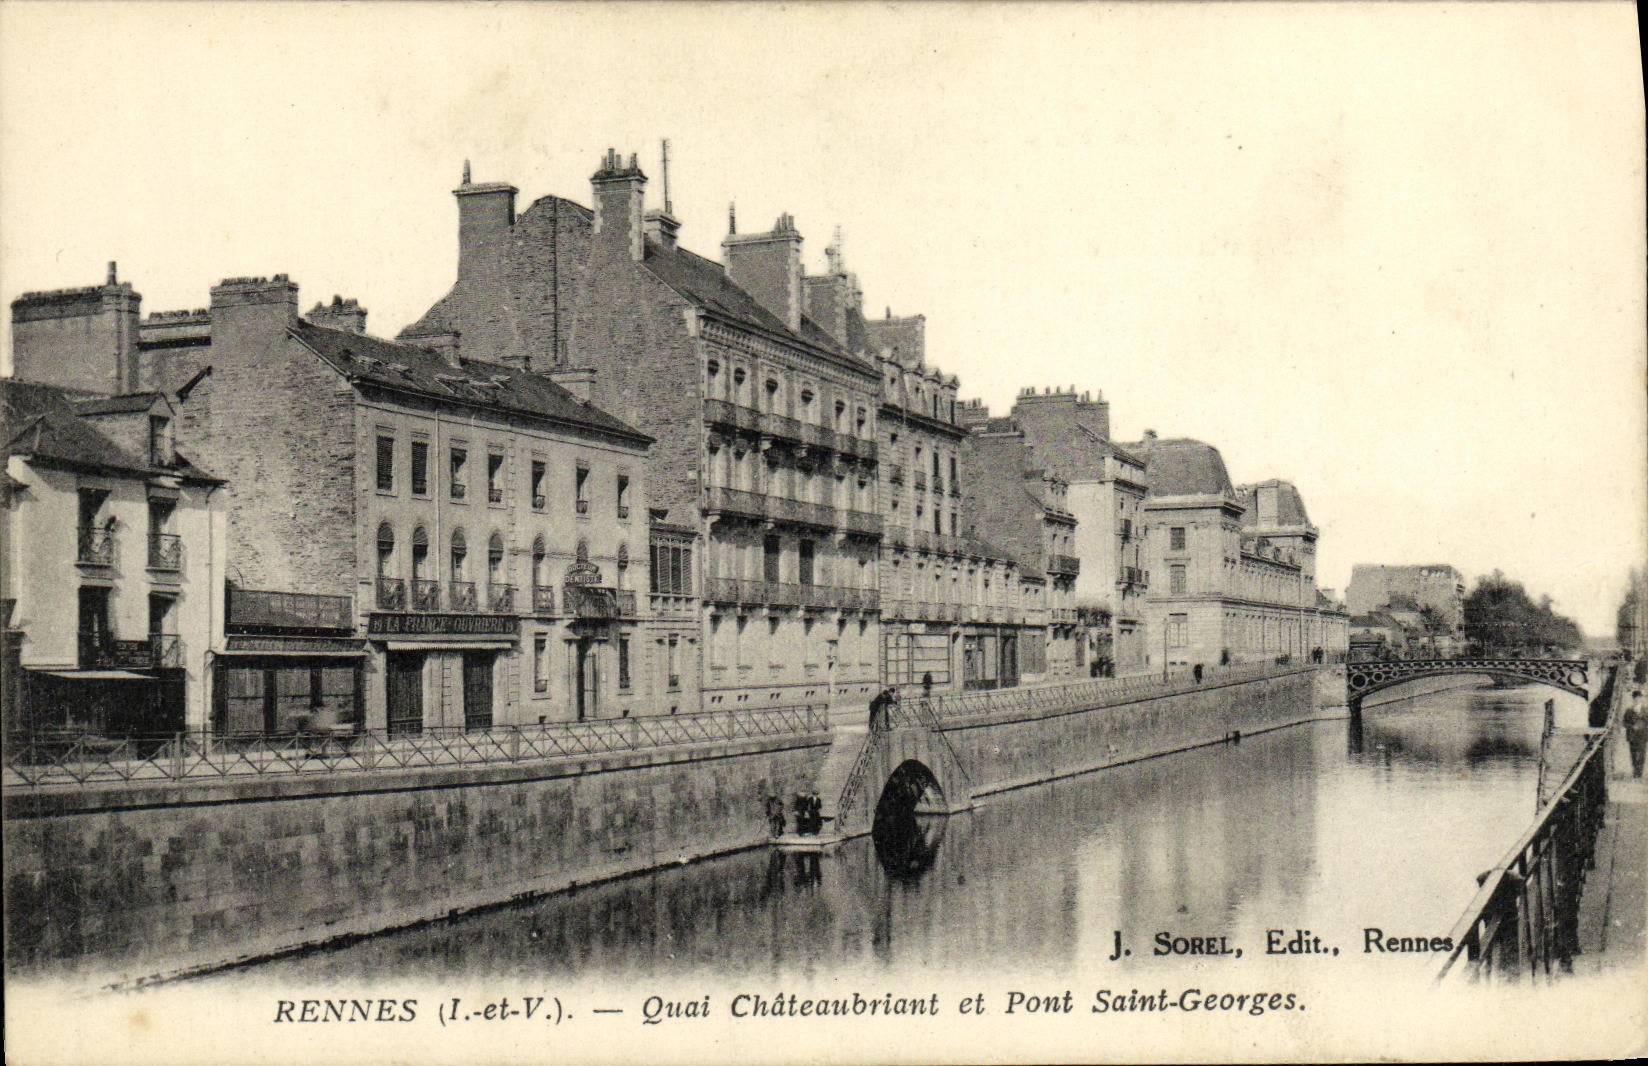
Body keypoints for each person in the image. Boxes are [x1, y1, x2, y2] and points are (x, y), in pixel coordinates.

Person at [1625, 690, 1647, 778]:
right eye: (1635, 698)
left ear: (1641, 699)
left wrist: (1643, 726)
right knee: (1633, 753)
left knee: (1642, 753)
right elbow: (1624, 722)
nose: (1637, 700)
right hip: (1632, 735)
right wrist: (1631, 726)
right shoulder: (1629, 711)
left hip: (1642, 735)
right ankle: (1635, 771)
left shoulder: (1645, 710)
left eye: (1639, 698)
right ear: (1633, 699)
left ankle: (1639, 772)